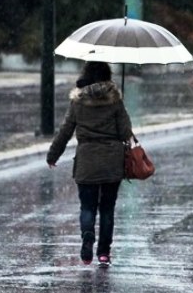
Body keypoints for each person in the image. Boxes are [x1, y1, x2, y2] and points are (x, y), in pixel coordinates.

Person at [47, 61, 133, 266]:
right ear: (107, 76)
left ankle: (87, 236)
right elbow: (124, 132)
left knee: (87, 207)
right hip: (112, 161)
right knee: (107, 208)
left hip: (87, 161)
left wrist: (53, 155)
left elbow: (65, 131)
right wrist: (121, 108)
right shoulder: (115, 100)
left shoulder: (78, 102)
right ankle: (103, 253)